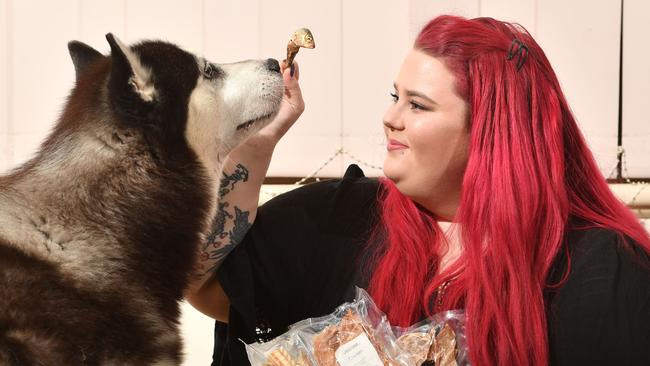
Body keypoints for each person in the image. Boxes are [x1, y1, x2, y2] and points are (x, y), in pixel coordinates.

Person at [185, 15, 650, 366]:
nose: (391, 117)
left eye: (418, 105)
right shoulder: (341, 219)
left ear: (490, 131)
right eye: (395, 97)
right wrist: (258, 142)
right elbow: (200, 282)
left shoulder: (597, 266)